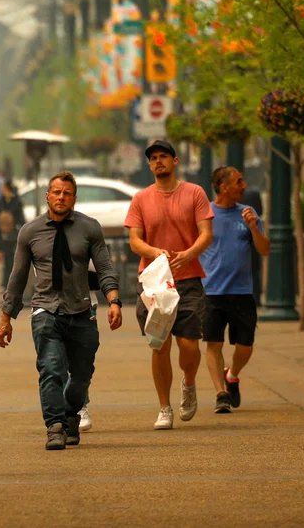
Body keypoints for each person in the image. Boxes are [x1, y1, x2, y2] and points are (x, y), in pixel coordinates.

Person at [0, 171, 122, 450]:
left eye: (66, 193)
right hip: (45, 310)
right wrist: (6, 319)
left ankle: (70, 413)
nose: (61, 197)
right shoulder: (29, 232)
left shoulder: (90, 228)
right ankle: (54, 426)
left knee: (81, 375)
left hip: (82, 310)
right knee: (51, 369)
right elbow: (17, 278)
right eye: (56, 192)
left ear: (74, 199)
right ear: (47, 196)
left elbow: (104, 269)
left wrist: (114, 301)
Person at [125, 139, 214, 430]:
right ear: (149, 165)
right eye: (153, 158)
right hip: (154, 284)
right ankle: (164, 408)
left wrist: (189, 253)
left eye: (164, 156)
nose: (158, 161)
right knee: (159, 345)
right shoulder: (141, 198)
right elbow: (135, 240)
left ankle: (188, 383)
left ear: (175, 161)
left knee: (189, 343)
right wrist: (154, 253)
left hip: (187, 279)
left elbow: (206, 233)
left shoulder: (194, 193)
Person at [201, 166, 270, 413]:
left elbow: (264, 249)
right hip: (212, 291)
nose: (244, 186)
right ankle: (221, 393)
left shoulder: (248, 214)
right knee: (213, 343)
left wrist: (253, 227)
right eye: (239, 181)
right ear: (224, 188)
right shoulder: (205, 215)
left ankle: (233, 374)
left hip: (242, 292)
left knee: (245, 345)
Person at [0, 181, 26, 288]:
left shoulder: (17, 202)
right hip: (2, 235)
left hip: (14, 234)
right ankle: (6, 282)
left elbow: (21, 218)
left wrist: (14, 225)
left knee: (14, 259)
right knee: (6, 259)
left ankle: (14, 281)